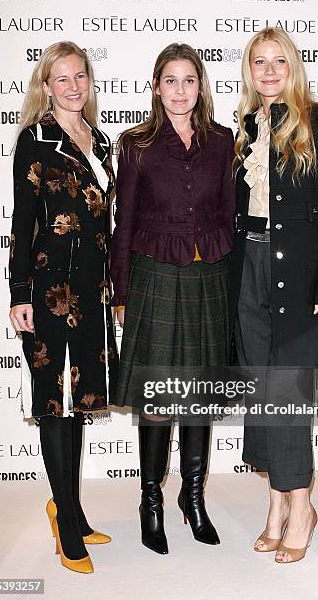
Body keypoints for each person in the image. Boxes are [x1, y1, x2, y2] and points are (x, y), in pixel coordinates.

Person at [228, 27, 318, 563]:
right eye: (260, 62)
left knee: (287, 393)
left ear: (293, 67)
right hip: (248, 271)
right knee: (262, 389)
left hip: (298, 278)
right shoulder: (244, 126)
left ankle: (301, 509)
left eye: (280, 61)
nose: (270, 71)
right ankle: (275, 505)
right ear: (250, 71)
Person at [110, 43, 235, 554]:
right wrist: (120, 290)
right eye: (170, 80)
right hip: (154, 276)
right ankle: (150, 500)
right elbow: (125, 224)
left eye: (189, 80)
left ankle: (194, 496)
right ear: (156, 86)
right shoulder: (136, 144)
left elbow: (228, 218)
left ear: (199, 87)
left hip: (210, 278)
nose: (180, 90)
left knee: (199, 390)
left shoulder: (223, 141)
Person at [9, 41, 118, 574]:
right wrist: (18, 294)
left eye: (81, 76)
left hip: (93, 291)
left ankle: (67, 505)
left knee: (78, 401)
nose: (74, 86)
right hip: (51, 291)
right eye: (62, 78)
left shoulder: (98, 139)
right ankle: (67, 524)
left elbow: (106, 225)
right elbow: (22, 221)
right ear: (46, 86)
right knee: (54, 402)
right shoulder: (35, 140)